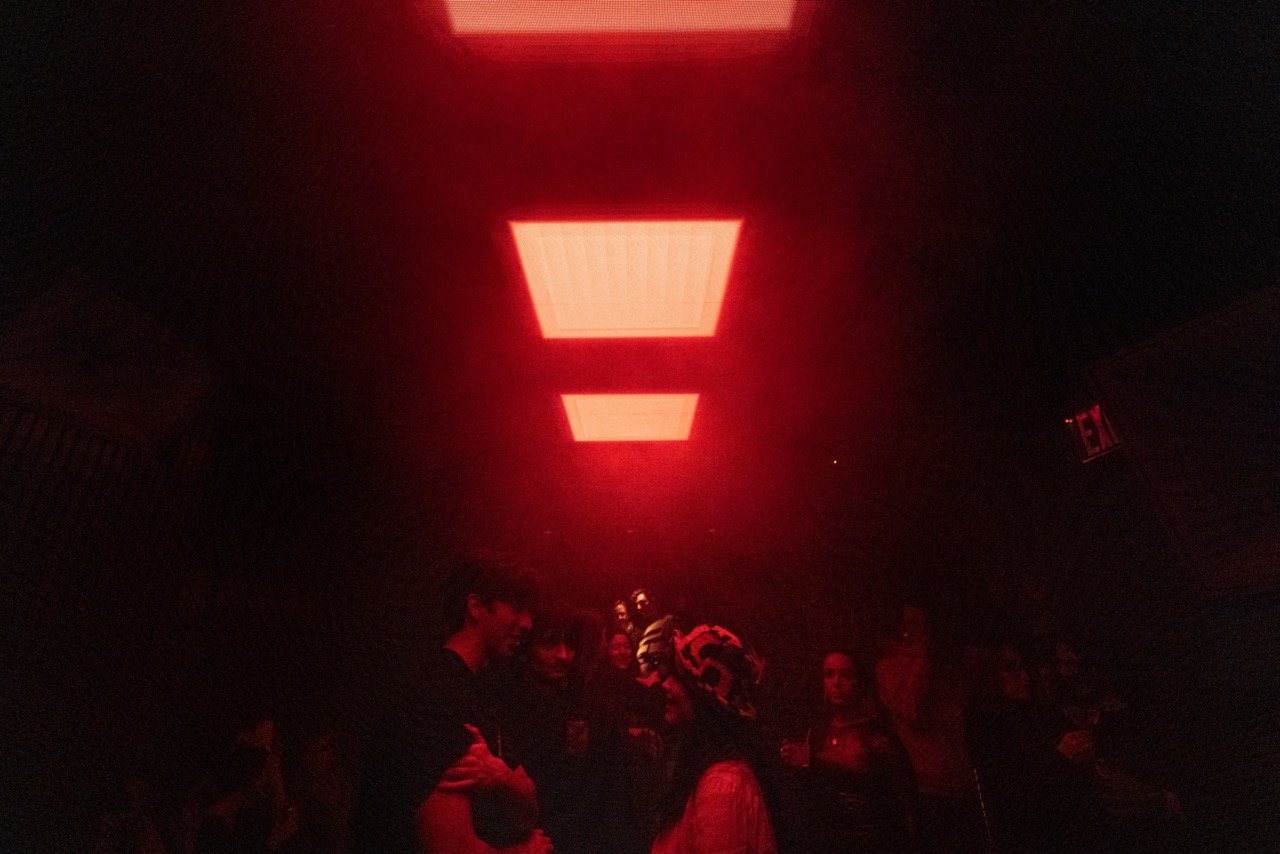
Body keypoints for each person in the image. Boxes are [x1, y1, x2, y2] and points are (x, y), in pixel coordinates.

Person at [350, 554, 552, 854]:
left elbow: (530, 802)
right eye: (516, 608)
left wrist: (503, 777)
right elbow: (451, 847)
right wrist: (524, 852)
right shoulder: (434, 697)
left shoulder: (481, 693)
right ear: (475, 606)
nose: (527, 623)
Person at [652, 624, 777, 854]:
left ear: (703, 699)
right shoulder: (708, 774)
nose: (665, 684)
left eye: (678, 678)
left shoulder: (722, 788)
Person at [783, 649, 916, 853]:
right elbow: (812, 793)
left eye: (846, 674)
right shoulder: (817, 732)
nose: (836, 682)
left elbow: (906, 804)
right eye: (829, 674)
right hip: (825, 842)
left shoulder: (877, 738)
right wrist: (797, 765)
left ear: (860, 683)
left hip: (869, 844)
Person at [875, 605, 983, 852]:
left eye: (922, 623)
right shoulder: (889, 667)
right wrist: (920, 656)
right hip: (924, 787)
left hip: (962, 784)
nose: (918, 630)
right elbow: (913, 709)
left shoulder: (946, 667)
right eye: (911, 623)